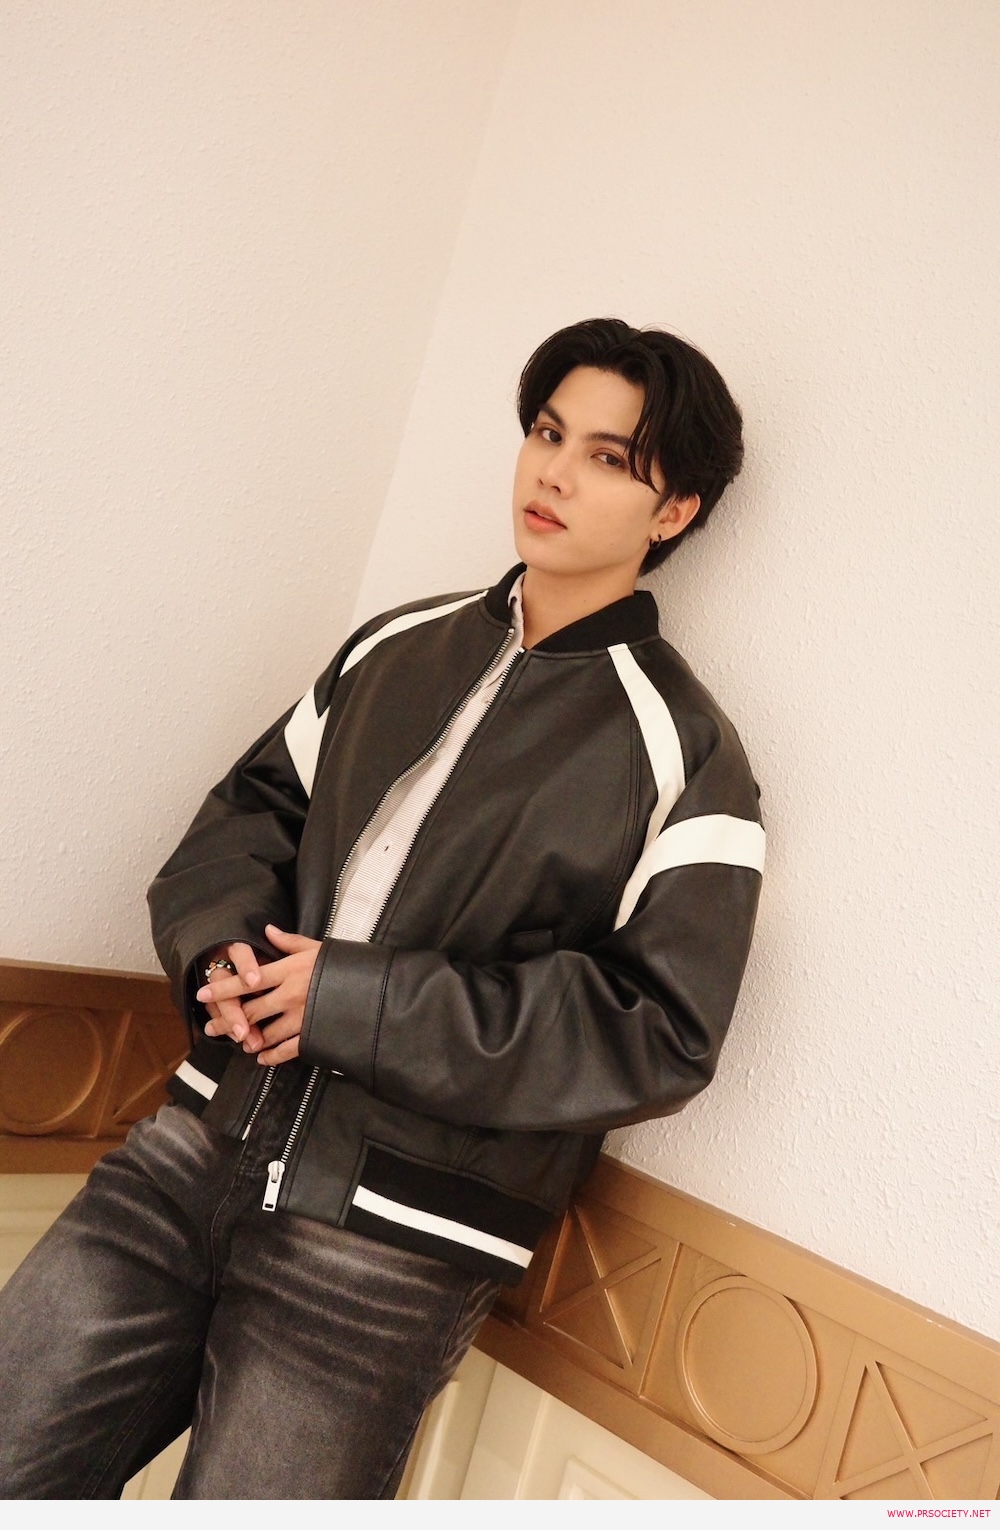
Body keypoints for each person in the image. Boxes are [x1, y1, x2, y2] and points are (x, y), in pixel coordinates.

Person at [0, 317, 765, 1498]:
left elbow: (658, 1029)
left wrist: (349, 1003)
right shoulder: (394, 646)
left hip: (384, 1255)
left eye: (609, 457)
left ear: (676, 511)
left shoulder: (686, 750)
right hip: (183, 1158)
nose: (554, 472)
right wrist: (221, 956)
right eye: (547, 432)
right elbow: (248, 818)